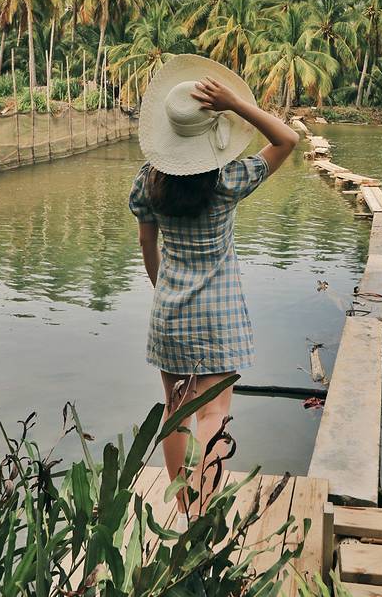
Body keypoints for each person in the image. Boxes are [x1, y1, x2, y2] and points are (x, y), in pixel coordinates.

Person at [128, 54, 298, 531]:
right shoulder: (228, 181)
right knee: (215, 412)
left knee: (176, 408)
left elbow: (147, 243)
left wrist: (163, 289)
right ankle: (204, 512)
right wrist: (237, 103)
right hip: (219, 314)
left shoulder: (148, 181)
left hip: (169, 311)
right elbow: (287, 139)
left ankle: (182, 507)